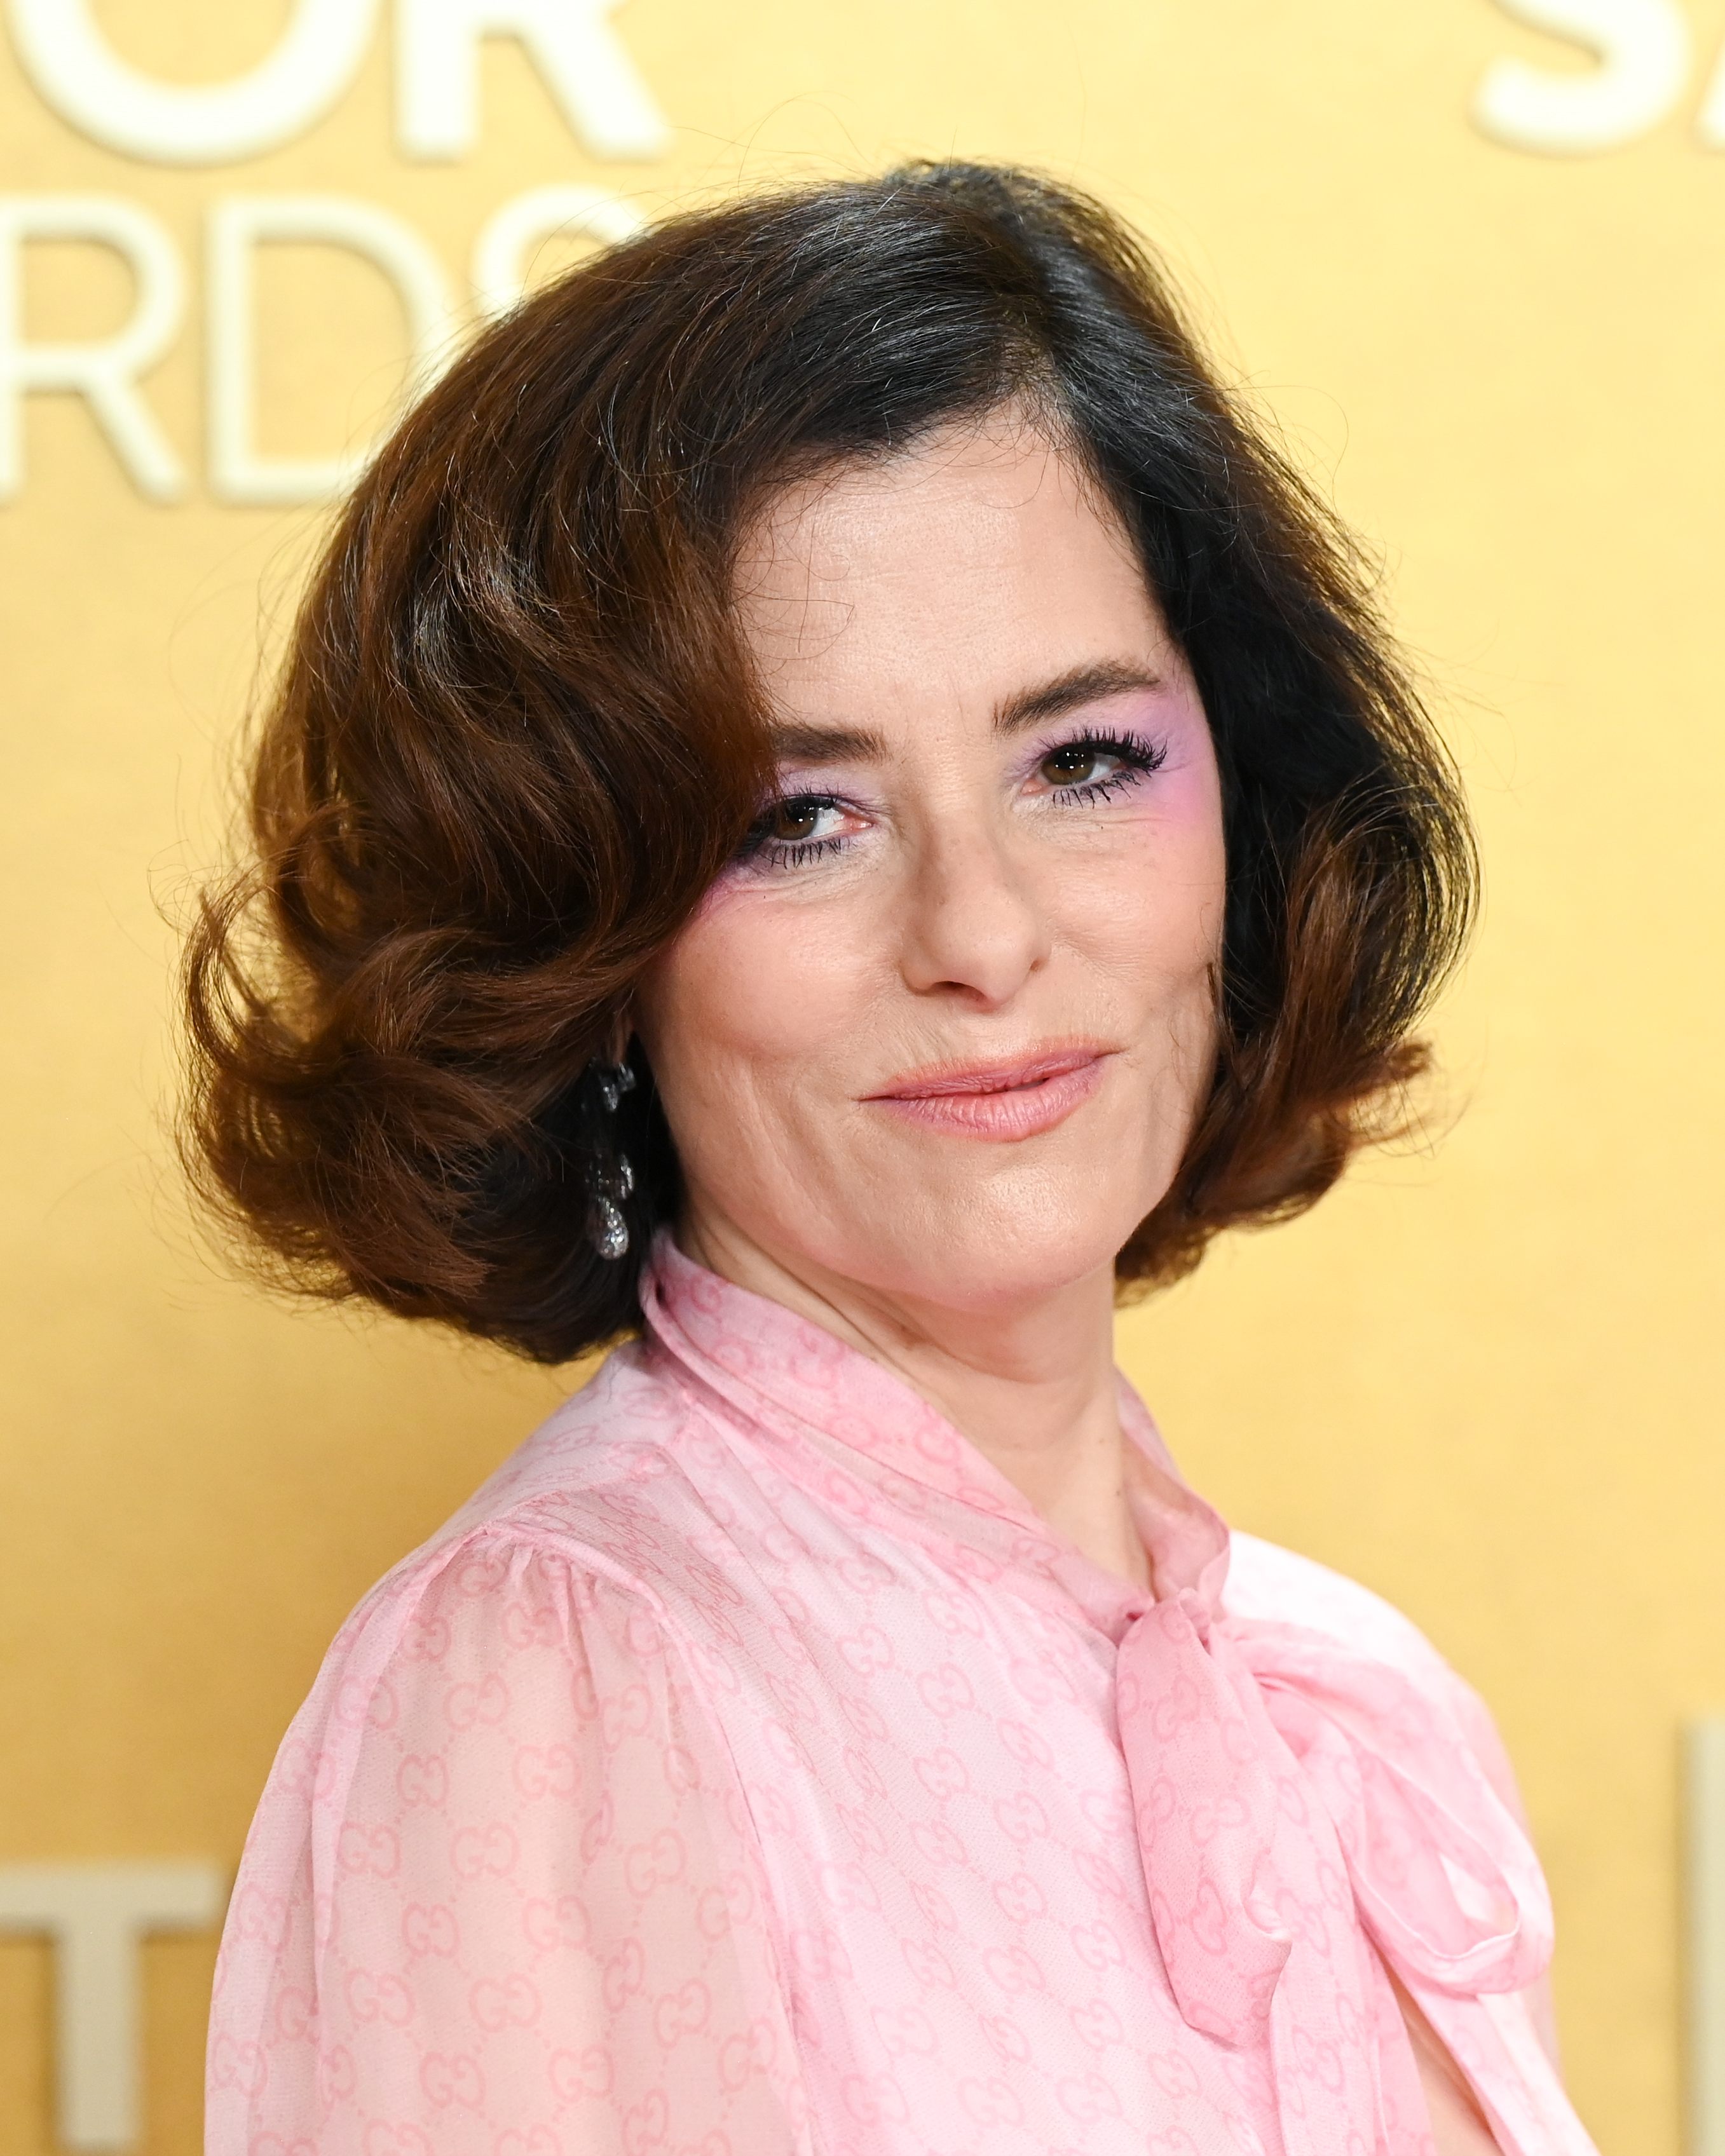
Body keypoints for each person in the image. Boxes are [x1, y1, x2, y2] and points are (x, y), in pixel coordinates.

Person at [187, 165, 1592, 2156]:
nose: (984, 935)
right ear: (581, 932)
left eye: (1080, 763)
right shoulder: (563, 1672)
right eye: (799, 820)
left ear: (1246, 808)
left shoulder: (1359, 1702)